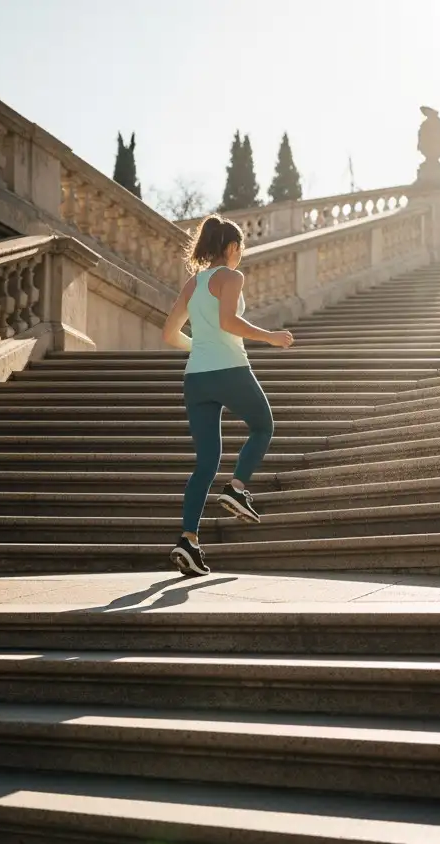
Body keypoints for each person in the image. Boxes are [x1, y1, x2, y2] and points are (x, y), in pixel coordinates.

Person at [162, 215, 294, 576]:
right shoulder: (232, 277)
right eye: (241, 248)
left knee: (205, 463)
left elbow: (169, 334)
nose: (241, 255)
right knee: (263, 426)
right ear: (232, 247)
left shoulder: (193, 283)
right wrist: (270, 337)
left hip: (196, 379)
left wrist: (200, 349)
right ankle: (236, 489)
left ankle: (188, 540)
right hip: (229, 369)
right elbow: (228, 322)